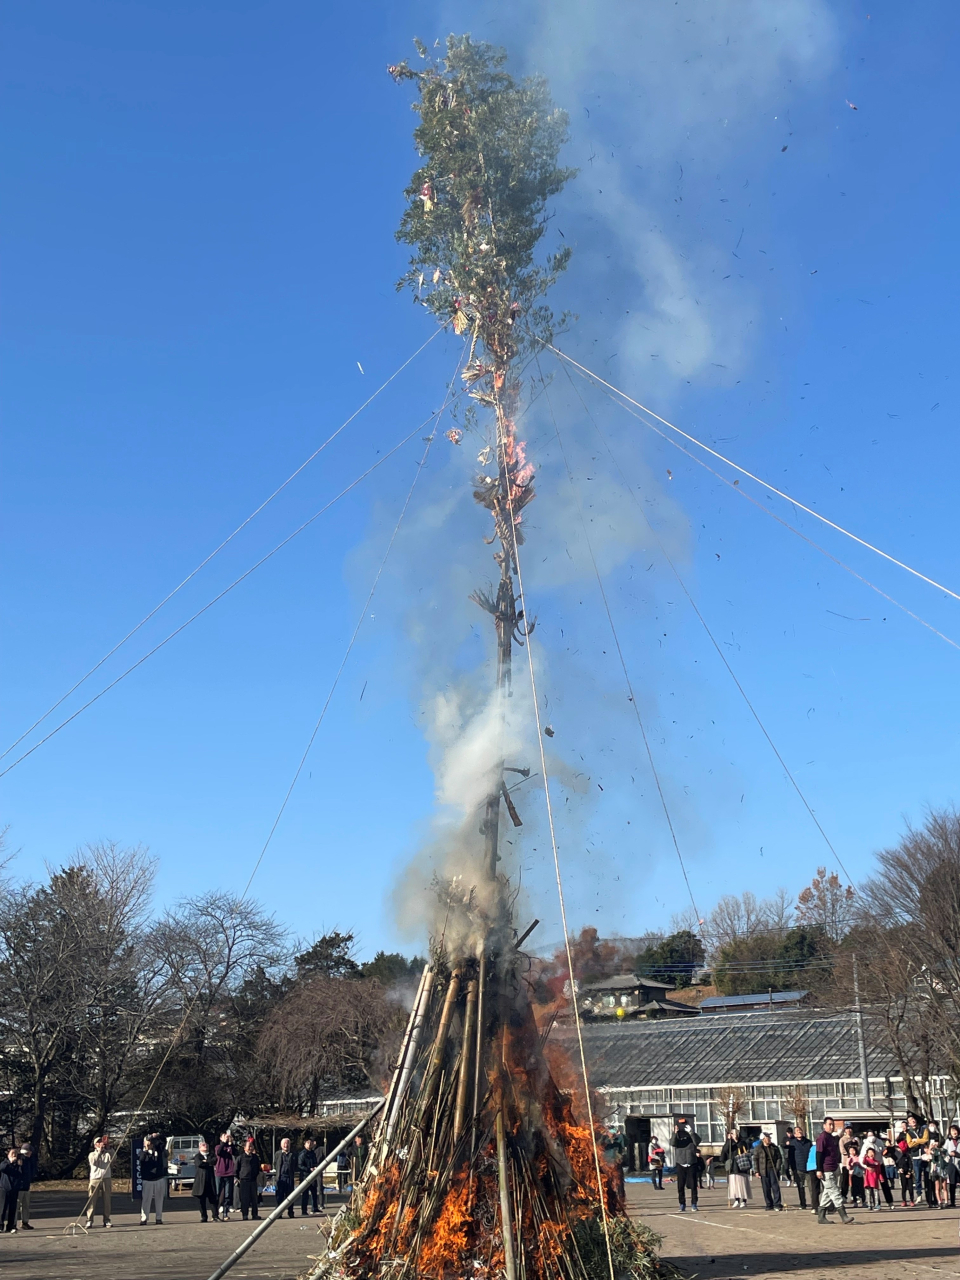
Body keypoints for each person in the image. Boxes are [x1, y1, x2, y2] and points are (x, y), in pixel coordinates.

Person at [815, 1117, 854, 1225]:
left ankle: (821, 1216)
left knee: (828, 1193)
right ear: (824, 1125)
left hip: (833, 1167)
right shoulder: (822, 1138)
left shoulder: (831, 1138)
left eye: (833, 1124)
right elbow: (818, 1154)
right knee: (835, 1192)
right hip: (826, 1169)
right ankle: (843, 1215)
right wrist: (819, 1169)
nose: (831, 1127)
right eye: (829, 1124)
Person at [670, 1116, 701, 1213]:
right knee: (680, 1185)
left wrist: (691, 1132)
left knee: (693, 1185)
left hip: (691, 1162)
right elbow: (672, 1143)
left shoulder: (692, 1135)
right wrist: (675, 1132)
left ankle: (694, 1204)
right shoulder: (677, 1136)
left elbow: (697, 1142)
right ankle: (682, 1204)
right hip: (681, 1163)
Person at [87, 1134, 114, 1229]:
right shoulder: (92, 1154)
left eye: (101, 1141)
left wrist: (108, 1148)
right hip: (95, 1179)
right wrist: (99, 1152)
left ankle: (107, 1220)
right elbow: (94, 1162)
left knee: (107, 1201)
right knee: (92, 1201)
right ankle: (89, 1220)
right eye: (98, 1142)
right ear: (95, 1145)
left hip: (106, 1178)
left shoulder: (108, 1153)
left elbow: (114, 1159)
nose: (100, 1143)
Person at [720, 1128, 753, 1209]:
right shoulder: (729, 1142)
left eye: (734, 1133)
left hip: (742, 1165)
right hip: (733, 1166)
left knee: (743, 1184)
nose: (734, 1135)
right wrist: (729, 1141)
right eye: (732, 1133)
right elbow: (725, 1150)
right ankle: (737, 1199)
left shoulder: (742, 1142)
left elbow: (743, 1150)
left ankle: (744, 1201)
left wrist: (736, 1141)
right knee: (734, 1184)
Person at [139, 1135, 166, 1225]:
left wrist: (157, 1136)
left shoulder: (158, 1150)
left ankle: (159, 1217)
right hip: (147, 1179)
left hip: (159, 1178)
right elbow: (142, 1159)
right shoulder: (142, 1152)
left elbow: (163, 1142)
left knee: (159, 1199)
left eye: (151, 1141)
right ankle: (144, 1218)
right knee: (146, 1199)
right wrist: (146, 1150)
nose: (150, 1143)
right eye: (148, 1141)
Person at [906, 1114, 930, 1207]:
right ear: (909, 1123)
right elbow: (910, 1144)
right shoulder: (909, 1133)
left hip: (925, 1156)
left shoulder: (924, 1129)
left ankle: (929, 1195)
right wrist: (918, 1141)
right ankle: (919, 1194)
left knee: (927, 1176)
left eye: (913, 1119)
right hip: (916, 1156)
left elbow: (925, 1139)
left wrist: (916, 1140)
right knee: (918, 1177)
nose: (913, 1121)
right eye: (910, 1120)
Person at [754, 1133, 784, 1211]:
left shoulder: (774, 1147)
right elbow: (755, 1160)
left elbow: (779, 1158)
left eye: (769, 1138)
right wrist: (756, 1171)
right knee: (766, 1188)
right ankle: (769, 1204)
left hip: (773, 1169)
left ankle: (777, 1204)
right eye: (768, 1138)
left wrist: (777, 1167)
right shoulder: (758, 1148)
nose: (769, 1139)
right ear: (763, 1139)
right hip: (763, 1170)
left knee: (775, 1187)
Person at [193, 1140, 220, 1223]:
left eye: (206, 1145)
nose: (205, 1146)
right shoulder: (197, 1156)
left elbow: (214, 1161)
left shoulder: (211, 1155)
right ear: (199, 1147)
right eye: (203, 1145)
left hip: (210, 1181)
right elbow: (199, 1164)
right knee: (201, 1201)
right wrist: (207, 1163)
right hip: (200, 1182)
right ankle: (204, 1216)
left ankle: (215, 1216)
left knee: (213, 1199)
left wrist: (206, 1162)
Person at [235, 1137, 261, 1221]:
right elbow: (236, 1169)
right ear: (244, 1148)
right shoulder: (240, 1157)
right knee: (244, 1199)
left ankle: (255, 1214)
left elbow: (258, 1168)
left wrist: (255, 1175)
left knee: (254, 1199)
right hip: (244, 1181)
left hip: (253, 1180)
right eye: (249, 1146)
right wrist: (237, 1178)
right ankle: (245, 1214)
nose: (250, 1148)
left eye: (251, 1146)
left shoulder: (255, 1157)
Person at [215, 1132, 238, 1220]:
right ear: (221, 1138)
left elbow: (236, 1153)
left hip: (229, 1173)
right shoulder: (218, 1147)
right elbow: (219, 1152)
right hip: (220, 1173)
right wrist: (224, 1143)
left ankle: (225, 1213)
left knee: (228, 1194)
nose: (227, 1137)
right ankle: (215, 1213)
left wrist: (231, 1144)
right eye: (225, 1136)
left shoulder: (230, 1147)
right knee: (218, 1192)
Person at [0, 1149, 23, 1234]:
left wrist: (20, 1165)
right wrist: (10, 1162)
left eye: (15, 1154)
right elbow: (2, 1168)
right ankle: (0, 1225)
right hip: (4, 1188)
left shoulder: (18, 1165)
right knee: (2, 1208)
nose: (14, 1156)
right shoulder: (5, 1163)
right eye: (12, 1154)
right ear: (8, 1155)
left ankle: (11, 1226)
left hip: (14, 1189)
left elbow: (21, 1174)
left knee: (12, 1208)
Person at [298, 1137, 321, 1216]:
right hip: (305, 1176)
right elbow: (300, 1165)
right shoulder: (303, 1154)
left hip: (312, 1176)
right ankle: (304, 1210)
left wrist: (315, 1167)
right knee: (305, 1194)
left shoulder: (313, 1153)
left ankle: (315, 1207)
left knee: (314, 1192)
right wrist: (308, 1169)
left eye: (311, 1143)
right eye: (308, 1143)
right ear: (304, 1144)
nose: (310, 1144)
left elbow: (315, 1162)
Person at [16, 1143, 37, 1230]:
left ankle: (25, 1222)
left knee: (25, 1205)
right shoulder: (19, 1160)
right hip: (19, 1187)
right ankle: (13, 1223)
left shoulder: (28, 1160)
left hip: (26, 1186)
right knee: (17, 1206)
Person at [791, 1128, 812, 1210]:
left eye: (800, 1131)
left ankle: (814, 1204)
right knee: (800, 1187)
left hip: (809, 1168)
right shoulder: (793, 1144)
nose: (799, 1132)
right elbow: (791, 1158)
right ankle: (803, 1204)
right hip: (798, 1168)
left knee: (811, 1188)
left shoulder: (808, 1142)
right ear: (795, 1134)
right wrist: (793, 1169)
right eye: (797, 1131)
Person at [275, 1138, 296, 1218]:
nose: (286, 1145)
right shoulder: (278, 1154)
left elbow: (295, 1165)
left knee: (290, 1196)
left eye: (287, 1143)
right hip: (280, 1178)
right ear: (281, 1145)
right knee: (279, 1196)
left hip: (289, 1178)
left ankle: (290, 1212)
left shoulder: (293, 1154)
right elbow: (275, 1163)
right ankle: (278, 1213)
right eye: (284, 1143)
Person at [896, 1133, 916, 1206]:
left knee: (910, 1188)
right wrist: (899, 1169)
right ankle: (904, 1200)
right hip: (902, 1173)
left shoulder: (907, 1156)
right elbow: (897, 1164)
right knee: (903, 1188)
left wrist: (910, 1172)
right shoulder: (898, 1156)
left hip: (908, 1173)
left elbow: (911, 1164)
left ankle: (911, 1200)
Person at [838, 1124, 855, 1202]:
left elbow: (858, 1149)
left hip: (854, 1163)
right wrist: (849, 1155)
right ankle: (843, 1195)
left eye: (850, 1129)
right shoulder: (842, 1139)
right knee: (845, 1180)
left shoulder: (855, 1139)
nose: (849, 1131)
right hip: (845, 1162)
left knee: (855, 1180)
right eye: (847, 1129)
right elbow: (842, 1150)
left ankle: (854, 1196)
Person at [944, 1125, 960, 1208]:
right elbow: (944, 1151)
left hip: (959, 1162)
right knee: (952, 1183)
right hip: (951, 1163)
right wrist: (949, 1154)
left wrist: (957, 1154)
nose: (954, 1132)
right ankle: (952, 1202)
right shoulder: (948, 1141)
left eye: (955, 1130)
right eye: (952, 1130)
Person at [847, 1141, 865, 1208]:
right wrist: (851, 1164)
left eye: (853, 1150)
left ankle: (863, 1201)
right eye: (850, 1151)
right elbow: (848, 1167)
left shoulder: (859, 1157)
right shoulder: (849, 1158)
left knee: (861, 1188)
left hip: (860, 1174)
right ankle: (855, 1201)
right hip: (853, 1175)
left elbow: (863, 1166)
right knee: (853, 1189)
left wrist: (859, 1165)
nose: (852, 1152)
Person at [805, 1135, 820, 1213]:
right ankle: (827, 1206)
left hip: (810, 1167)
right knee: (825, 1188)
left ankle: (814, 1206)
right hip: (817, 1167)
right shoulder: (820, 1148)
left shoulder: (812, 1147)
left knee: (814, 1188)